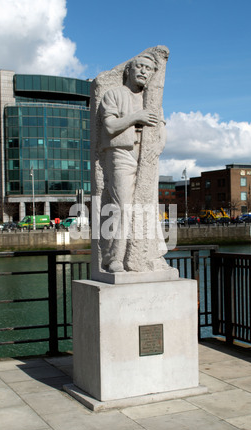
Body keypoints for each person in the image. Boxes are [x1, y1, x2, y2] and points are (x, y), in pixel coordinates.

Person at [99, 53, 166, 273]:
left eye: (149, 68)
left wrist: (157, 148)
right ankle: (113, 258)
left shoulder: (151, 100)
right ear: (128, 71)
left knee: (147, 207)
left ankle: (148, 256)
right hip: (121, 153)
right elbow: (109, 127)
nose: (144, 72)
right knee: (122, 207)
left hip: (145, 156)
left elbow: (161, 130)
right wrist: (137, 117)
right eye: (140, 66)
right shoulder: (114, 94)